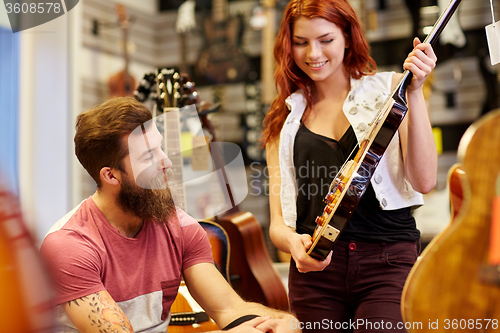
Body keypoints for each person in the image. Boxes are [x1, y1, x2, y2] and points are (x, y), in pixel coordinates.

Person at [40, 97, 298, 333]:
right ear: (110, 175)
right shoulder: (69, 247)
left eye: (160, 148)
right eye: (150, 156)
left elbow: (229, 309)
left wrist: (284, 322)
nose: (167, 162)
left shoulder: (177, 226)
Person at [262, 0, 437, 331]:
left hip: (387, 263)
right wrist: (293, 245)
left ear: (347, 36)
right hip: (316, 274)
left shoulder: (391, 90)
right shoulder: (283, 120)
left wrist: (415, 92)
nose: (313, 53)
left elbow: (424, 180)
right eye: (301, 42)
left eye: (325, 39)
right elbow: (277, 223)